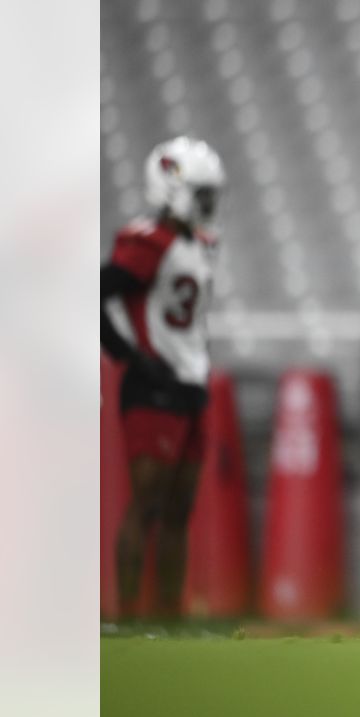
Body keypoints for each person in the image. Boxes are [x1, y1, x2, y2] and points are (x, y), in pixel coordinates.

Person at [101, 136, 225, 618]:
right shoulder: (148, 242)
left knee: (179, 511)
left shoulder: (199, 244)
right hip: (153, 386)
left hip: (190, 385)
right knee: (147, 505)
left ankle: (170, 621)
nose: (209, 204)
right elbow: (101, 292)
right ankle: (130, 619)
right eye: (202, 193)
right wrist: (127, 355)